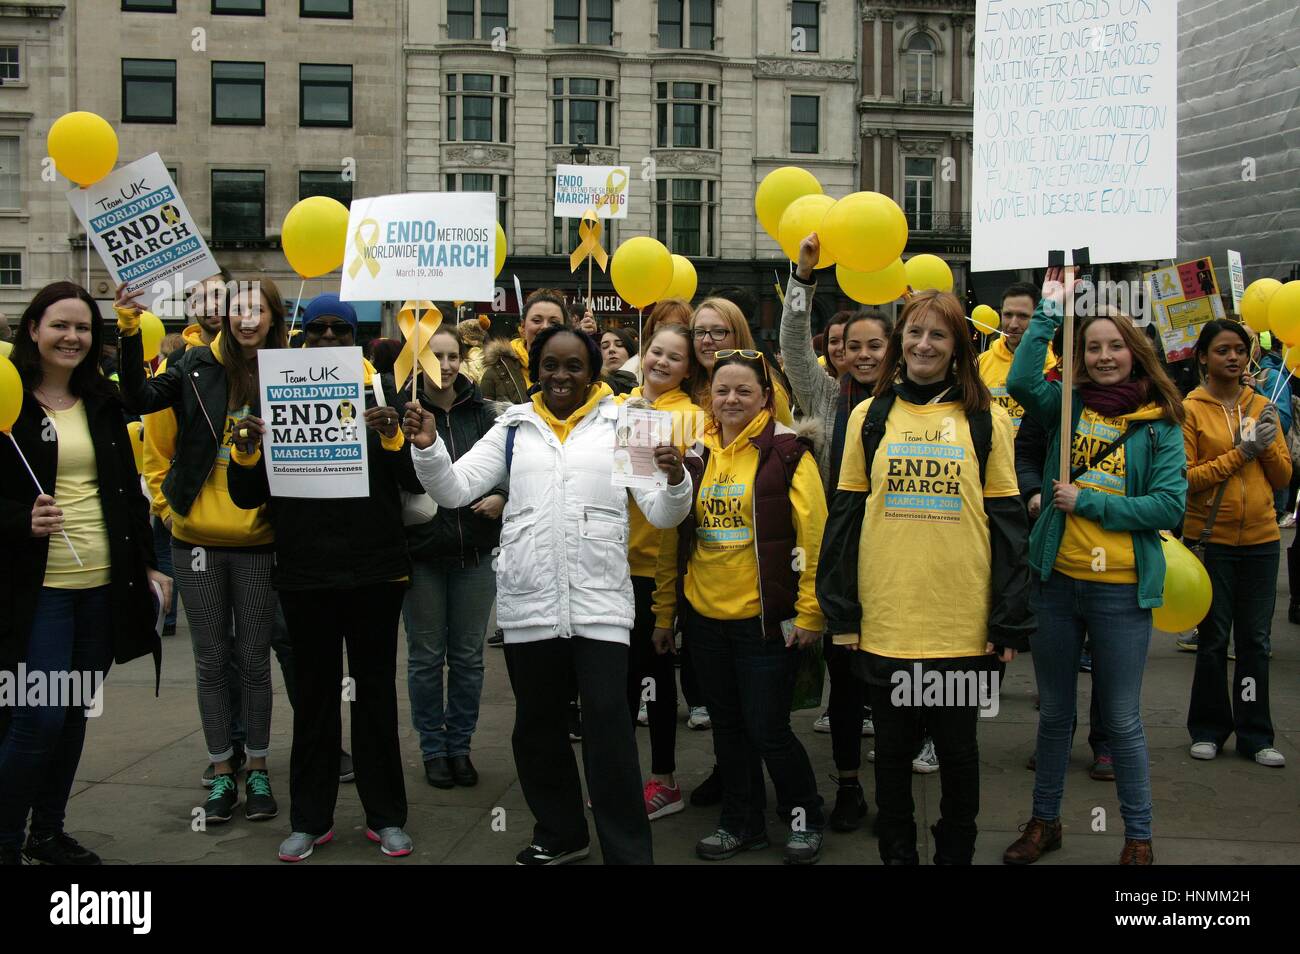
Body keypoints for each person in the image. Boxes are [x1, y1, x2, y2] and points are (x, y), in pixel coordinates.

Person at [405, 325, 692, 865]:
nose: (562, 377)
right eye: (551, 366)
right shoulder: (512, 428)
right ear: (536, 370)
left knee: (608, 734)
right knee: (537, 732)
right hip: (529, 606)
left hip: (601, 608)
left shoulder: (629, 424)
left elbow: (661, 512)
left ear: (593, 372)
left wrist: (675, 482)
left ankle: (629, 852)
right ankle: (561, 835)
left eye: (574, 366)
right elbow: (453, 490)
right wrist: (429, 449)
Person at [818, 289, 1031, 866]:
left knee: (959, 756)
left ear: (958, 346)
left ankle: (955, 854)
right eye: (913, 332)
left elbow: (1010, 527)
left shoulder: (988, 421)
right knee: (889, 756)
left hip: (961, 627)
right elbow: (844, 518)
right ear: (899, 343)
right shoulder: (870, 416)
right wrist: (841, 611)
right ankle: (897, 854)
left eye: (938, 334)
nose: (923, 344)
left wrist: (1008, 618)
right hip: (887, 621)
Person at [225, 294, 421, 861]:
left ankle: (386, 817)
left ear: (356, 337)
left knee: (375, 696)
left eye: (342, 329)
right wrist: (244, 452)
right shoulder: (274, 395)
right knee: (313, 702)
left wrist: (391, 437)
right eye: (318, 330)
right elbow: (247, 495)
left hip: (376, 572)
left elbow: (413, 479)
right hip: (305, 573)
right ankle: (309, 819)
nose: (330, 337)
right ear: (302, 338)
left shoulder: (382, 390)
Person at [1003, 269, 1187, 866]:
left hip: (1121, 591)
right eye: (1093, 348)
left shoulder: (1160, 424)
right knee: (1055, 715)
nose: (1104, 357)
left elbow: (1169, 506)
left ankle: (1138, 836)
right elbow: (1021, 377)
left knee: (1125, 722)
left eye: (1115, 347)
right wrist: (1053, 310)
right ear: (1080, 357)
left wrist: (1093, 502)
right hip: (1056, 584)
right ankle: (1044, 822)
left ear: (1134, 355)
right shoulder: (1066, 405)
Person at [0, 282, 168, 867]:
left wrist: (150, 564)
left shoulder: (100, 402)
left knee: (72, 716)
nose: (72, 337)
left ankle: (47, 833)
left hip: (103, 582)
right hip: (40, 590)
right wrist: (21, 519)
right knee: (36, 718)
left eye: (82, 328)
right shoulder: (10, 403)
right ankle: (4, 841)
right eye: (60, 325)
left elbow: (128, 492)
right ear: (32, 330)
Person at [116, 277, 289, 827]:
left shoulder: (289, 373)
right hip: (195, 544)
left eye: (255, 309)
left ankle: (257, 767)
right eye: (237, 308)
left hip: (260, 542)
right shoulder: (192, 366)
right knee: (211, 659)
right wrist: (125, 328)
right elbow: (136, 401)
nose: (244, 319)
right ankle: (221, 771)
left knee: (254, 660)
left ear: (272, 316)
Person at [652, 348, 827, 864]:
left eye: (744, 391)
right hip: (705, 622)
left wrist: (811, 613)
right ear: (710, 397)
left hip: (766, 624)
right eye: (722, 390)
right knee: (728, 732)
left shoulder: (790, 451)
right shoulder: (694, 456)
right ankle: (741, 824)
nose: (731, 399)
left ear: (765, 398)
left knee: (769, 729)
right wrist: (666, 614)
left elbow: (813, 539)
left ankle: (805, 816)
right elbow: (672, 540)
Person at [777, 234, 892, 831]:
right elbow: (792, 347)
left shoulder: (911, 405)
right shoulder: (825, 396)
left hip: (898, 560)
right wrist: (803, 277)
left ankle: (896, 775)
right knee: (845, 683)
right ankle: (848, 785)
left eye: (876, 345)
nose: (863, 354)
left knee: (894, 679)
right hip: (840, 561)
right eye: (852, 345)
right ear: (837, 352)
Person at [402, 325, 505, 790]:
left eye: (452, 356)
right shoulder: (404, 411)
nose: (444, 366)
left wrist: (502, 494)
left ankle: (460, 746)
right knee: (426, 657)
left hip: (475, 552)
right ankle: (432, 749)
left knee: (467, 658)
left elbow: (509, 463)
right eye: (434, 356)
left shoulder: (484, 413)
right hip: (422, 555)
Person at [1182, 319, 1288, 768]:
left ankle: (1255, 732)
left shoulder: (1263, 405)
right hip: (1212, 540)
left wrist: (1264, 445)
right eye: (1223, 350)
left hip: (1262, 539)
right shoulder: (1188, 409)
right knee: (1212, 639)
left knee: (1255, 641)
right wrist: (1240, 453)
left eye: (1240, 351)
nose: (1233, 357)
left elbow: (1283, 476)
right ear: (1203, 357)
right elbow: (1185, 480)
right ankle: (1207, 728)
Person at [615, 324, 708, 821]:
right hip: (615, 562)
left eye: (676, 357)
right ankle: (624, 777)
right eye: (656, 352)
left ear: (689, 368)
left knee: (655, 677)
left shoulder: (693, 418)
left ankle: (665, 780)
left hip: (661, 567)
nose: (662, 362)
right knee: (622, 682)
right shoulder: (618, 407)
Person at [690, 298, 794, 425]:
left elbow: (785, 440)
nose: (706, 340)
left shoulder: (770, 392)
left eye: (718, 332)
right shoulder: (688, 385)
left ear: (739, 335)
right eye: (699, 332)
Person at [978, 282, 1056, 434]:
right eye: (1008, 315)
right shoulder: (980, 363)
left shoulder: (1057, 363)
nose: (1013, 324)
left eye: (1022, 316)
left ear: (1038, 317)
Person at [479, 289, 567, 404]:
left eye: (554, 323)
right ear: (523, 326)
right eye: (537, 320)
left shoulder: (578, 372)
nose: (545, 327)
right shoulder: (496, 373)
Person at [622, 298, 693, 382]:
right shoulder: (629, 373)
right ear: (651, 330)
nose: (669, 333)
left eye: (677, 327)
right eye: (662, 326)